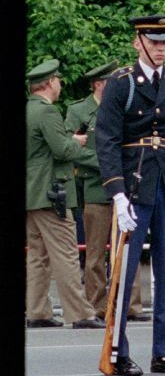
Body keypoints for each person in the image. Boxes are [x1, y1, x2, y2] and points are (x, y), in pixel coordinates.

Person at [93, 16, 165, 375]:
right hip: (134, 180)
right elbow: (106, 138)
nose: (160, 48)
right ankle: (117, 348)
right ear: (137, 42)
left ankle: (162, 350)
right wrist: (117, 191)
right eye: (154, 42)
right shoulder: (122, 83)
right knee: (124, 270)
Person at [66, 61, 146, 322]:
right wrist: (108, 164)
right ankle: (97, 306)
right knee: (95, 254)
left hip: (124, 188)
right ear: (99, 84)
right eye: (111, 81)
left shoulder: (126, 106)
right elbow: (71, 150)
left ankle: (131, 305)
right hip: (96, 190)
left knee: (127, 248)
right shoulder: (78, 111)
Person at [26, 59, 102, 330]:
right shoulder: (47, 112)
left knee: (37, 255)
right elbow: (62, 150)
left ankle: (37, 311)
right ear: (48, 83)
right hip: (52, 192)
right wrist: (80, 145)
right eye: (57, 80)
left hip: (33, 193)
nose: (59, 84)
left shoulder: (28, 110)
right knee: (67, 253)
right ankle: (80, 313)